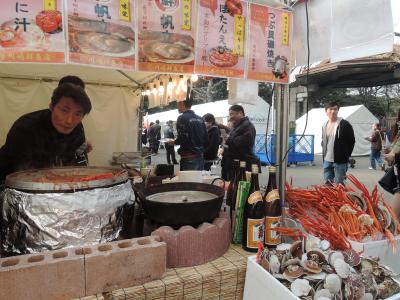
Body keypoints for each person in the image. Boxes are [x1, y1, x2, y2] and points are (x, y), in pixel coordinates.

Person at [0, 80, 92, 183]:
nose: (69, 121)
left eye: (77, 114)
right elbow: (23, 172)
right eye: (64, 110)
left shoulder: (77, 129)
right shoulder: (26, 127)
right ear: (51, 107)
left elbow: (76, 167)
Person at [166, 100, 207, 171]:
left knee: (188, 181)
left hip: (189, 156)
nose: (177, 107)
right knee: (197, 180)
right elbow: (206, 138)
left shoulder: (182, 118)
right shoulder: (200, 118)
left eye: (178, 105)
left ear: (182, 103)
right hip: (200, 156)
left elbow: (183, 137)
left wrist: (174, 142)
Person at [321, 102, 355, 185]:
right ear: (326, 111)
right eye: (330, 109)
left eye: (335, 109)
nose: (333, 111)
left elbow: (352, 141)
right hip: (327, 159)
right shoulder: (324, 125)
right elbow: (324, 140)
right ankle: (329, 198)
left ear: (338, 111)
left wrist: (346, 155)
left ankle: (340, 198)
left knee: (340, 184)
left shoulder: (344, 124)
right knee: (327, 184)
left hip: (340, 161)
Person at [221, 105, 257, 180]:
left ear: (240, 113)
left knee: (236, 189)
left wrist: (229, 139)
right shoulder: (237, 126)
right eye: (229, 114)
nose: (230, 117)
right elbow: (231, 142)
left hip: (240, 165)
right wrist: (224, 146)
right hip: (231, 164)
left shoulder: (248, 126)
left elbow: (247, 141)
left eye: (232, 114)